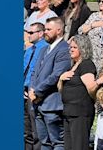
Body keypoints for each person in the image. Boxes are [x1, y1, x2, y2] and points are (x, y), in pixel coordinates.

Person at [29, 17, 72, 150]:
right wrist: (31, 89)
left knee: (57, 142)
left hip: (52, 104)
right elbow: (34, 72)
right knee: (43, 142)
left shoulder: (64, 49)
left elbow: (55, 75)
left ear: (59, 30)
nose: (45, 32)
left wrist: (37, 91)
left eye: (48, 29)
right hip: (37, 103)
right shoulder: (44, 50)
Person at [58, 34, 98, 150]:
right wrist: (61, 78)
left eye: (74, 47)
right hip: (68, 112)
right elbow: (61, 89)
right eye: (70, 47)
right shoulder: (72, 66)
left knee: (78, 146)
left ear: (83, 48)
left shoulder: (86, 64)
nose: (71, 49)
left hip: (80, 113)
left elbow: (91, 88)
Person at [24, 23, 48, 150]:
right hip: (24, 90)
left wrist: (32, 88)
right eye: (28, 32)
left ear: (40, 33)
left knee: (36, 129)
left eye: (31, 32)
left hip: (33, 91)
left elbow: (40, 72)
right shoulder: (29, 50)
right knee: (26, 129)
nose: (28, 35)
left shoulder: (45, 49)